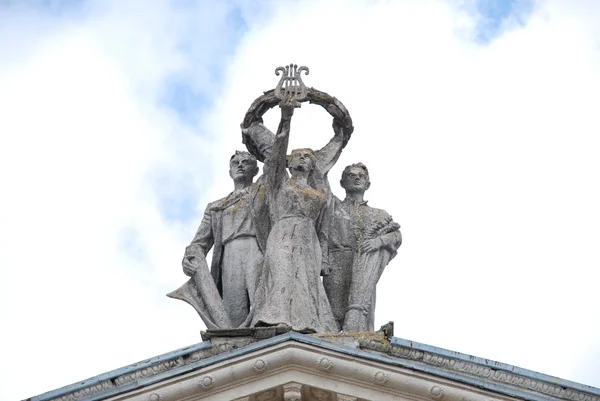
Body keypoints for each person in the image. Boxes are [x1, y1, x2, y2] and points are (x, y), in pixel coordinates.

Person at [250, 103, 338, 333]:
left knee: (306, 279)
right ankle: (277, 318)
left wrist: (342, 132)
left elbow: (325, 226)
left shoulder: (319, 191)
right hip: (282, 232)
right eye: (297, 155)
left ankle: (308, 322)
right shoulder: (278, 181)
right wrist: (285, 118)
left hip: (308, 238)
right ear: (289, 162)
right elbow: (276, 154)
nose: (301, 158)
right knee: (281, 271)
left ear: (312, 165)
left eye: (307, 156)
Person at [170, 151, 268, 328]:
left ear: (255, 170)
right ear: (230, 172)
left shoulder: (265, 196)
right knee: (233, 312)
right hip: (229, 256)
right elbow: (199, 242)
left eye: (245, 162)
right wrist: (188, 259)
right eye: (235, 163)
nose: (240, 165)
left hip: (257, 250)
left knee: (262, 304)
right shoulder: (216, 207)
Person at [323, 163, 402, 331]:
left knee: (362, 310)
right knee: (332, 312)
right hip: (336, 262)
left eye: (361, 176)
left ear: (368, 184)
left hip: (366, 265)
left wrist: (377, 242)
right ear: (342, 183)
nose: (357, 178)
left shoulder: (378, 214)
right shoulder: (333, 207)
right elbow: (319, 181)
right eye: (351, 175)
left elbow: (396, 236)